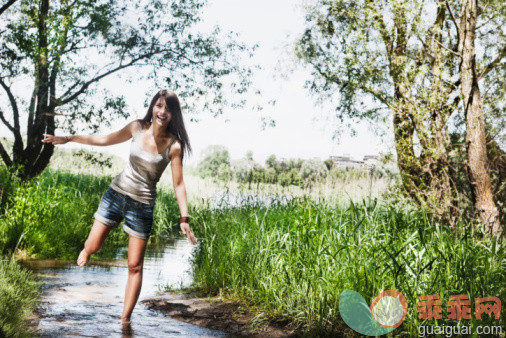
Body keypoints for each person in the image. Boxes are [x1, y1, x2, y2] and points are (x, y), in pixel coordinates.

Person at [41, 89, 197, 323]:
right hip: (115, 195)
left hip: (143, 207)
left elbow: (178, 184)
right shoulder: (137, 127)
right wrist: (69, 138)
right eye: (159, 105)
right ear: (153, 107)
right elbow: (104, 139)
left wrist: (184, 218)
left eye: (168, 108)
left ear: (174, 114)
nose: (163, 111)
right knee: (93, 246)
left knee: (135, 266)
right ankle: (87, 250)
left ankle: (125, 321)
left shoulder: (174, 146)